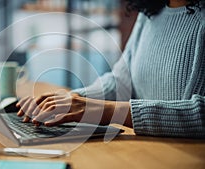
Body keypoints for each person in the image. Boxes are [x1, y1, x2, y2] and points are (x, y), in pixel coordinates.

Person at [16, 0, 205, 138]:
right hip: (142, 149)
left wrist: (107, 111)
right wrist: (71, 100)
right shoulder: (151, 12)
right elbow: (120, 82)